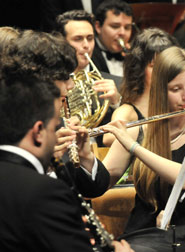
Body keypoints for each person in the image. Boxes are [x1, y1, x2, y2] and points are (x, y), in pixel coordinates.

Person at [101, 46, 185, 251]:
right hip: (145, 234)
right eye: (176, 89)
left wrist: (134, 147)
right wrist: (85, 157)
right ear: (160, 92)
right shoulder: (139, 131)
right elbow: (99, 183)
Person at [0, 76, 133, 252]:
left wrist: (86, 157)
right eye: (53, 126)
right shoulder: (44, 191)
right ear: (39, 131)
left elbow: (96, 187)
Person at [0, 29, 110, 198]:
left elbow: (95, 188)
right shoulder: (8, 122)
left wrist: (86, 157)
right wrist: (46, 161)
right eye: (65, 76)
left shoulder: (58, 116)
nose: (72, 85)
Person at [56, 9, 123, 147]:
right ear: (61, 42)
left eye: (90, 38)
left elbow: (134, 133)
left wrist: (117, 103)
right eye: (78, 39)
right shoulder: (50, 85)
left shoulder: (118, 83)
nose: (86, 45)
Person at [102, 27, 179, 147]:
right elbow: (108, 138)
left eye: (165, 65)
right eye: (154, 66)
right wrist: (148, 131)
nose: (162, 72)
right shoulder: (128, 111)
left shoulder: (175, 102)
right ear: (140, 70)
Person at [92, 0, 135, 77]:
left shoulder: (133, 55)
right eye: (115, 26)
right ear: (98, 27)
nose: (122, 33)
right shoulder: (88, 54)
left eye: (127, 27)